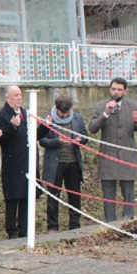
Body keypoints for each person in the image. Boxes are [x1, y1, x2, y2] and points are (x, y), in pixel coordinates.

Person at [89, 77, 137, 222]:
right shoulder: (101, 105)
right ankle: (110, 225)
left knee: (128, 196)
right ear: (110, 89)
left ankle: (129, 224)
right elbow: (92, 128)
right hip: (108, 158)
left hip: (127, 158)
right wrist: (105, 114)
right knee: (108, 197)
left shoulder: (134, 105)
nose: (116, 92)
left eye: (119, 89)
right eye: (114, 89)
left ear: (125, 91)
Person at [39, 95, 88, 232]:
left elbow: (85, 135)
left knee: (75, 196)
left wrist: (80, 140)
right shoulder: (47, 118)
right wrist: (57, 142)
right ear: (56, 108)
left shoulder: (77, 118)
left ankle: (75, 225)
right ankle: (53, 227)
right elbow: (42, 140)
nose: (65, 115)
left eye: (67, 113)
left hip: (73, 162)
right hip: (55, 164)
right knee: (53, 197)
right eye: (62, 113)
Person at [0, 85, 34, 239]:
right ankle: (12, 230)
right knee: (12, 197)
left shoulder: (26, 113)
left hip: (26, 161)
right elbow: (3, 139)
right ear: (7, 98)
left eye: (20, 95)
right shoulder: (1, 115)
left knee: (26, 196)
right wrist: (12, 126)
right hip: (12, 162)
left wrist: (46, 126)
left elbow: (33, 136)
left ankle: (24, 228)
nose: (19, 98)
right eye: (15, 95)